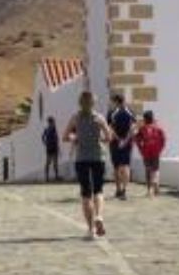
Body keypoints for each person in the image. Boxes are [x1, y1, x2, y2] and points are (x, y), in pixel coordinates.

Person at [64, 91, 115, 239]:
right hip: (98, 157)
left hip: (82, 159)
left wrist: (75, 137)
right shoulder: (99, 118)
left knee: (86, 194)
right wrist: (99, 138)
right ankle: (99, 216)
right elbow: (109, 137)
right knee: (98, 191)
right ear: (94, 103)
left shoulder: (75, 118)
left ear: (80, 103)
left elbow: (65, 136)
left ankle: (90, 230)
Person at [106, 94, 137, 200]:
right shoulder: (131, 112)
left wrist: (119, 140)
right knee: (126, 166)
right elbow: (133, 129)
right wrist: (125, 140)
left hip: (115, 143)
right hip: (127, 143)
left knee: (116, 167)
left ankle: (118, 189)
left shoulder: (111, 113)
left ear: (115, 101)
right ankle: (124, 190)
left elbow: (110, 129)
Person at [135, 110, 168, 197]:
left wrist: (141, 150)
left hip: (146, 151)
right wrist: (160, 149)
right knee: (155, 169)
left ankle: (150, 189)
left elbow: (137, 140)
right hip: (155, 151)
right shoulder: (158, 128)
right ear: (152, 118)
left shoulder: (142, 129)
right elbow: (164, 140)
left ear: (145, 119)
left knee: (148, 170)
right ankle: (155, 186)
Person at [41, 117, 61, 181]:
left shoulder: (46, 129)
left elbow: (42, 137)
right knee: (54, 162)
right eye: (53, 122)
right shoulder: (53, 129)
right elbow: (56, 138)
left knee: (48, 162)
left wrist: (45, 143)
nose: (54, 123)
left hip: (49, 147)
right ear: (51, 122)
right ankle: (55, 176)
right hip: (53, 148)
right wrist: (58, 147)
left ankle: (47, 177)